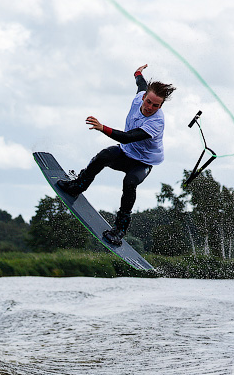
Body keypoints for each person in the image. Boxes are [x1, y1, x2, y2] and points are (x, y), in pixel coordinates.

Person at [56, 64, 175, 246]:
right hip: (126, 153)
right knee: (104, 156)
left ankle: (119, 230)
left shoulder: (156, 122)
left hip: (143, 162)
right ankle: (78, 185)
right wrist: (137, 72)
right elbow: (140, 83)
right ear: (144, 97)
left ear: (160, 106)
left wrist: (102, 128)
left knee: (130, 183)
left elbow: (128, 138)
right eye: (148, 102)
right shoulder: (139, 98)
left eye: (156, 105)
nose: (150, 107)